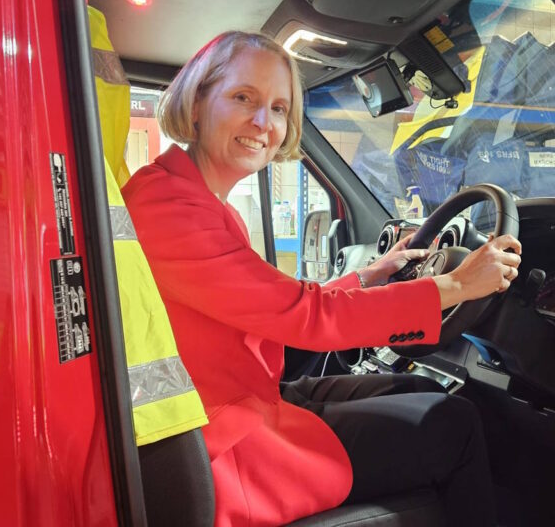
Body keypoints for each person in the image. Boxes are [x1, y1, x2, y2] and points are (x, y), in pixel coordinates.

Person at [122, 31, 522, 527]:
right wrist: (456, 287)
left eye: (279, 108)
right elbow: (302, 315)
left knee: (418, 391)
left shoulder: (190, 197)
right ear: (197, 102)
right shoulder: (169, 209)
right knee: (458, 425)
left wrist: (369, 277)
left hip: (248, 402)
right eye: (244, 97)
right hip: (229, 447)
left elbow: (271, 311)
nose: (263, 123)